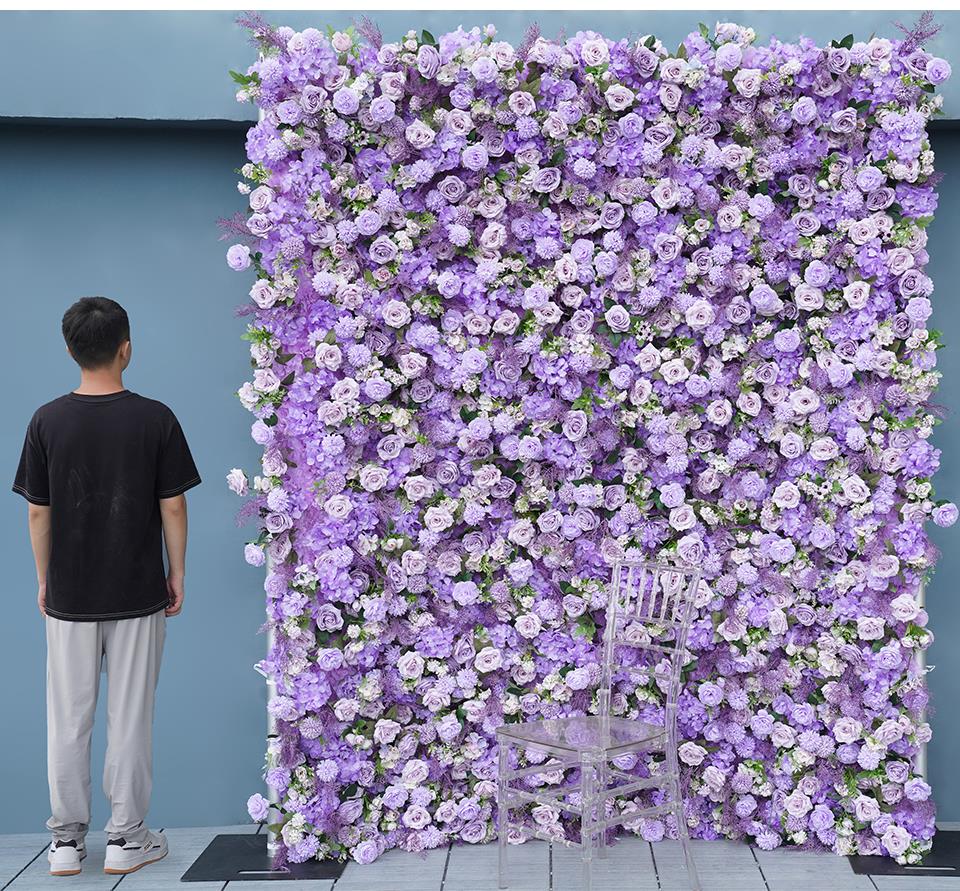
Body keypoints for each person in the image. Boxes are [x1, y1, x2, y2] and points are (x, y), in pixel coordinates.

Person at [13, 296, 201, 877]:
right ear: (126, 348)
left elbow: (38, 513)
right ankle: (126, 838)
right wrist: (177, 573)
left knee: (67, 719)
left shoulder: (46, 419)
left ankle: (66, 843)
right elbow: (173, 507)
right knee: (131, 715)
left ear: (70, 349)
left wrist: (45, 580)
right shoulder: (156, 418)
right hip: (137, 590)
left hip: (69, 594)